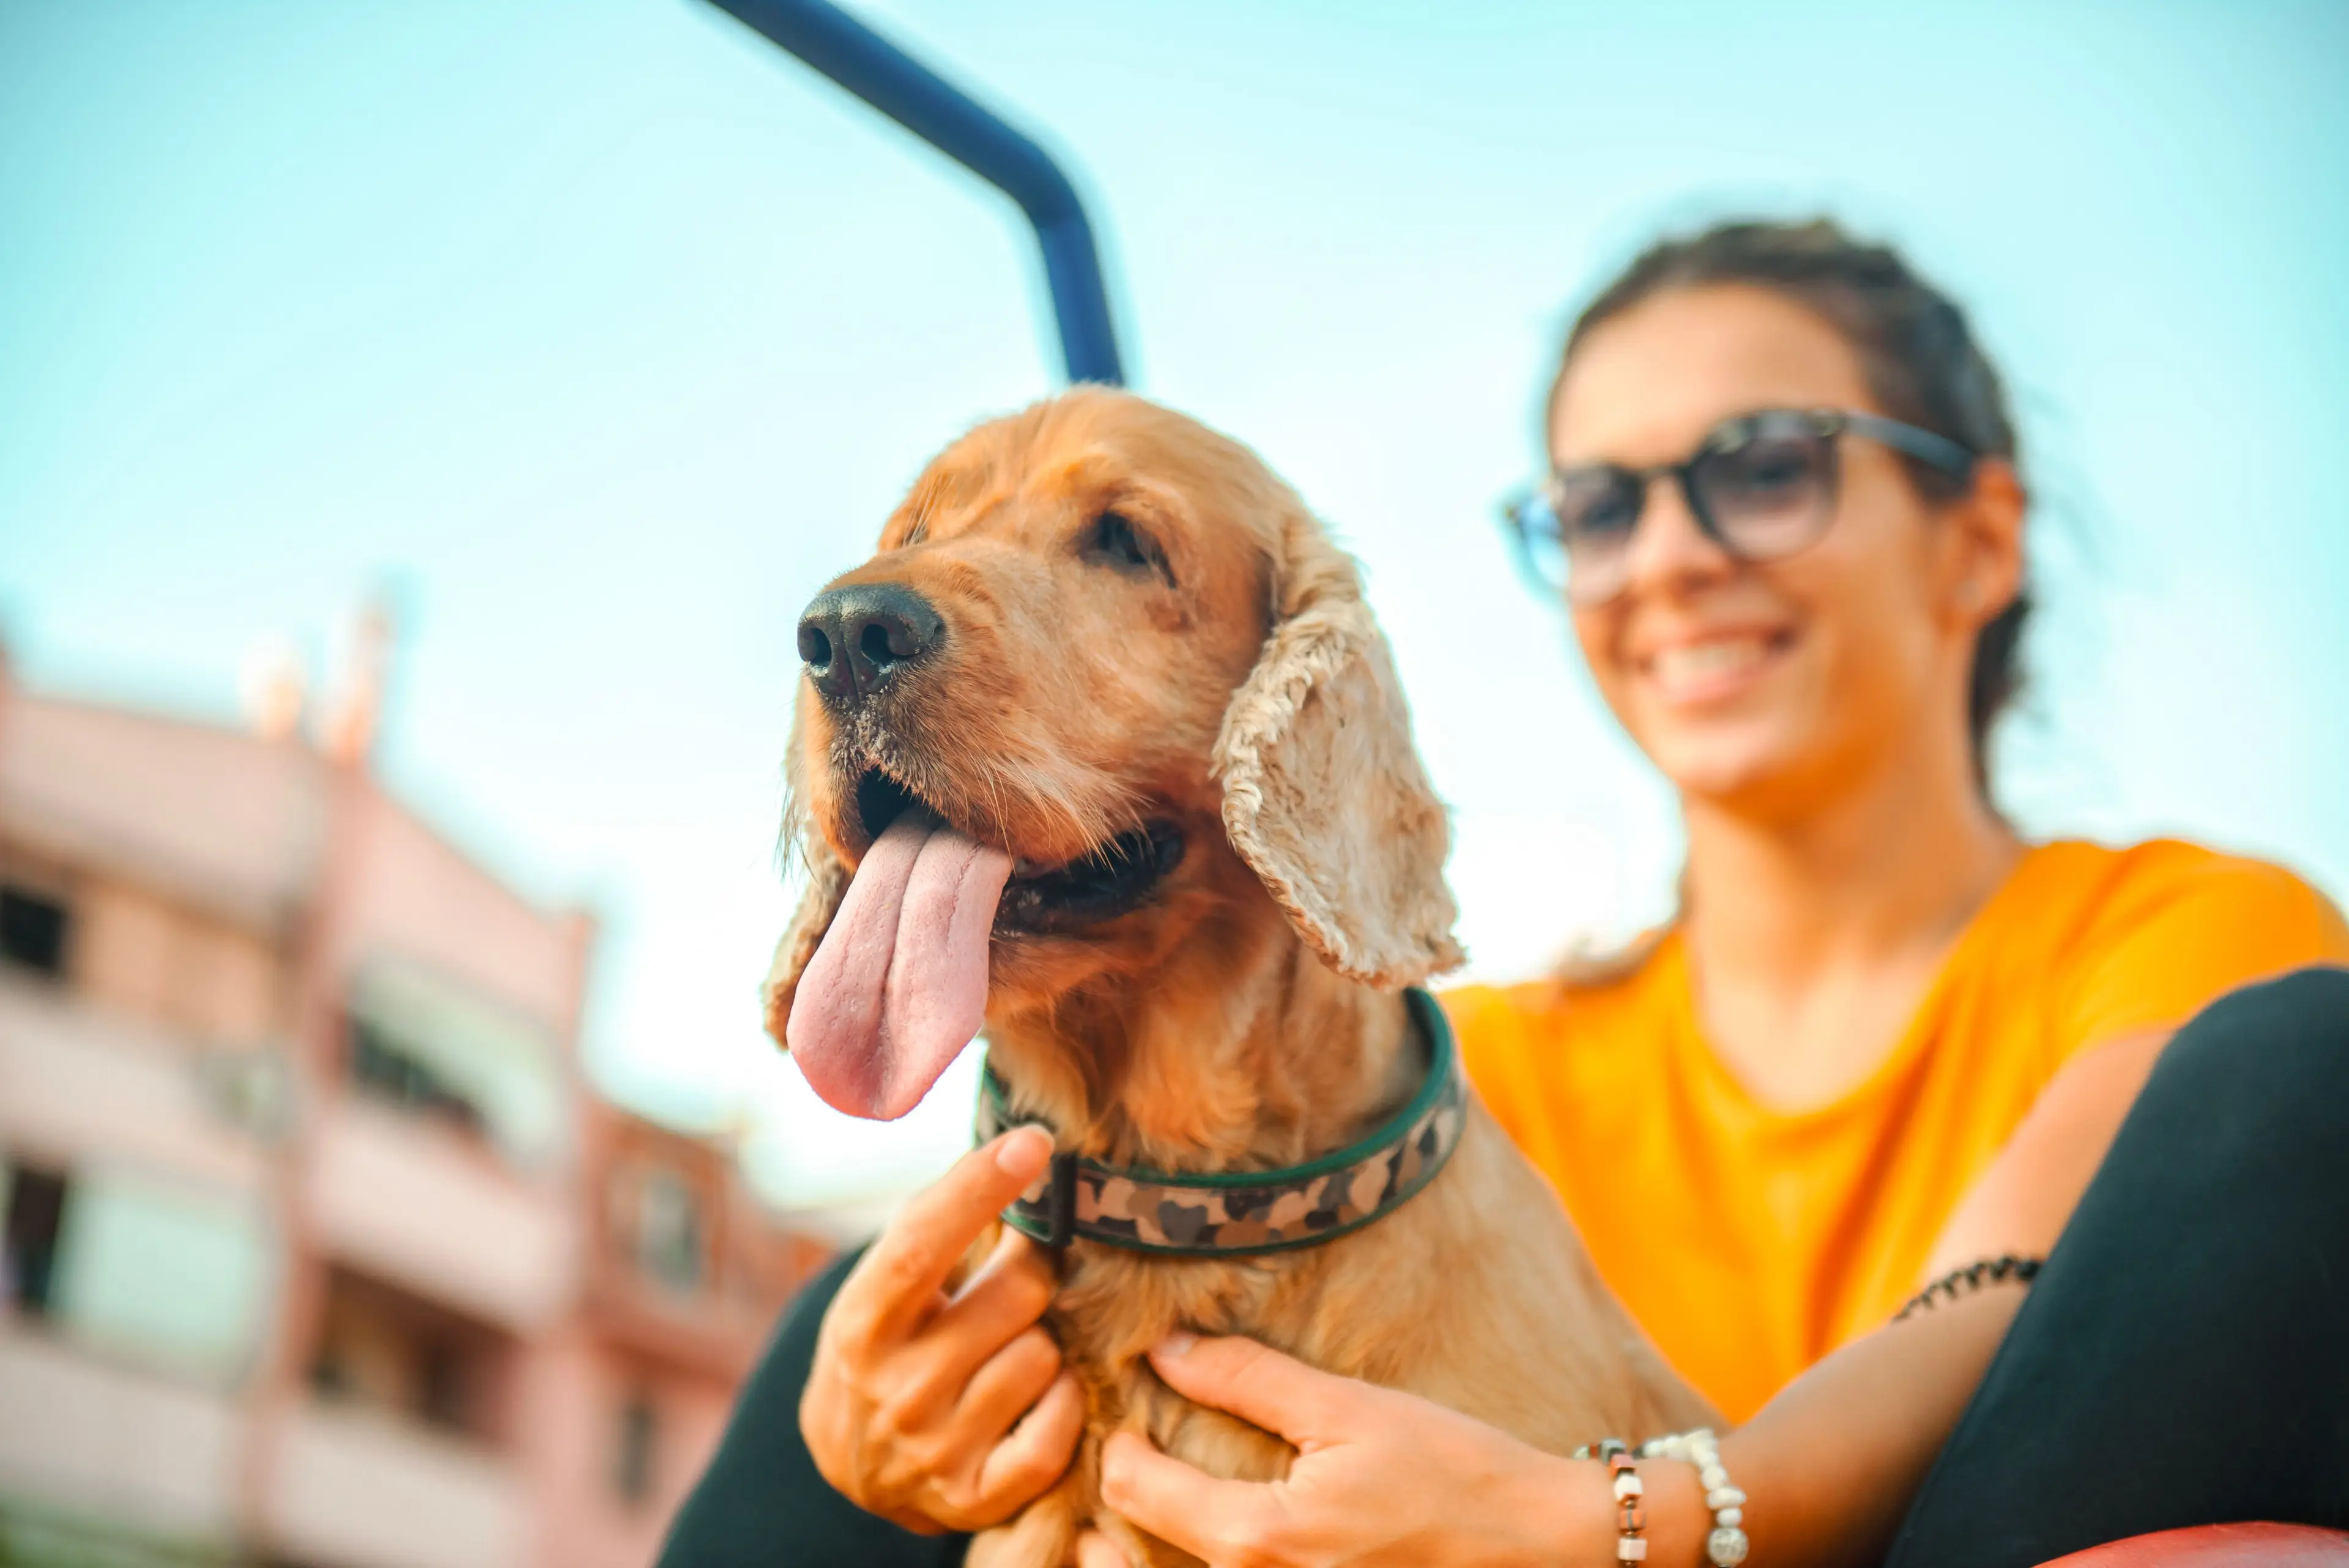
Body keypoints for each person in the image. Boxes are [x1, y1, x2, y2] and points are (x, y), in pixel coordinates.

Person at [660, 220, 2349, 1567]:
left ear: (1978, 539)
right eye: (1600, 506)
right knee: (841, 1356)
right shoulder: (1438, 1082)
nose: (1669, 554)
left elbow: (2009, 1302)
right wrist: (870, 1455)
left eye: (1767, 467)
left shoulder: (2185, 946)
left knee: (2308, 1069)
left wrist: (1593, 1527)